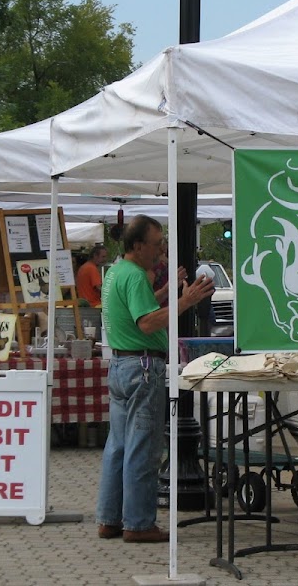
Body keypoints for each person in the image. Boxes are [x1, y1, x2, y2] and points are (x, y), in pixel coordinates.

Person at [96, 215, 214, 543]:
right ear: (138, 246)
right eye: (157, 242)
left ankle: (109, 519)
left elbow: (141, 310)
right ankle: (138, 523)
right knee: (143, 448)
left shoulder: (117, 271)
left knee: (117, 446)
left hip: (121, 365)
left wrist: (169, 292)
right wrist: (186, 301)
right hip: (142, 366)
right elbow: (147, 323)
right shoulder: (134, 276)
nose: (161, 248)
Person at [194, 260, 215, 338]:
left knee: (206, 329)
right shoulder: (209, 287)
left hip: (207, 314)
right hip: (204, 313)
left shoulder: (208, 288)